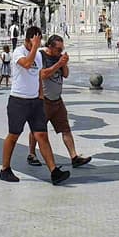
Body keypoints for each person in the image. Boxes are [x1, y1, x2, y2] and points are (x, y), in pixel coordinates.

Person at [0, 26, 69, 185]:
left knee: (42, 135)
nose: (38, 44)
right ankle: (5, 169)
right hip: (18, 100)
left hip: (35, 102)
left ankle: (54, 171)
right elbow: (26, 64)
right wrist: (35, 47)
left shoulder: (37, 54)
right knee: (14, 134)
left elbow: (38, 75)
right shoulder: (18, 52)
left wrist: (40, 95)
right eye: (36, 41)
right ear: (29, 39)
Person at [26, 35, 92, 170]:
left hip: (57, 100)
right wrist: (59, 64)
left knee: (66, 129)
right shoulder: (40, 56)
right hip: (43, 100)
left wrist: (65, 63)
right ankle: (32, 154)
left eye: (62, 49)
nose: (60, 52)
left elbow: (66, 75)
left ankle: (74, 157)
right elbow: (42, 74)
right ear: (50, 47)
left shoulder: (59, 57)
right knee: (37, 129)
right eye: (58, 49)